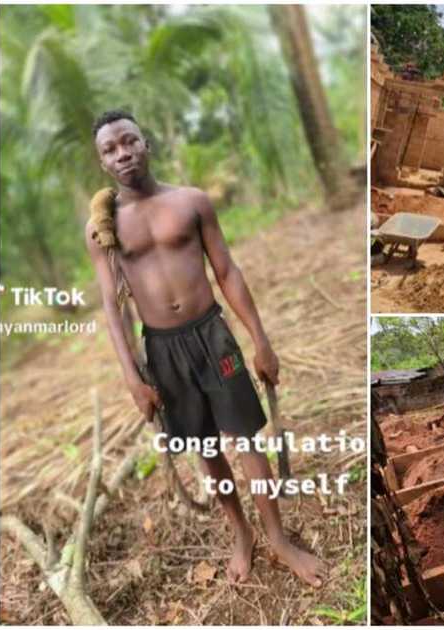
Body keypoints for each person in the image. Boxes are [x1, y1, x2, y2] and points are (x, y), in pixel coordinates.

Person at [85, 110, 324, 586]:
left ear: (146, 143)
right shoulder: (104, 230)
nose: (122, 153)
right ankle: (242, 534)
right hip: (163, 351)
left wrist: (260, 340)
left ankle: (277, 538)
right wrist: (134, 378)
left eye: (129, 141)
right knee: (204, 447)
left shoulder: (191, 202)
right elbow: (113, 307)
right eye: (110, 149)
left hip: (212, 336)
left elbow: (227, 271)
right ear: (103, 163)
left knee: (245, 438)